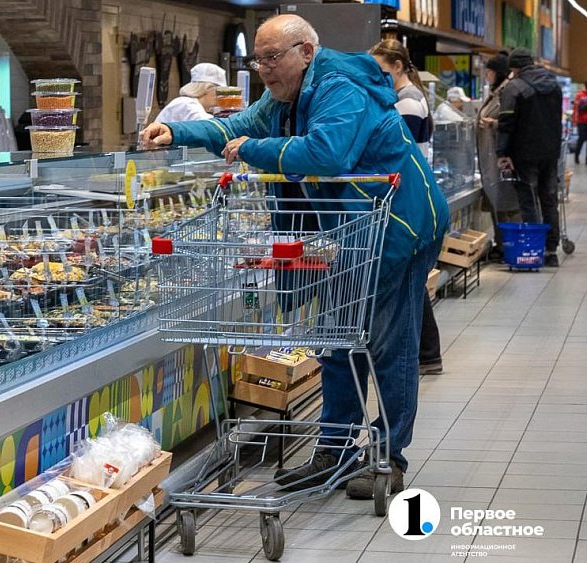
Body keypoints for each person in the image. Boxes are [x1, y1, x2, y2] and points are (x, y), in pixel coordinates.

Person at [140, 14, 448, 500]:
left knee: (389, 345)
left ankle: (389, 457)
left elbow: (327, 154)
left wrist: (254, 150)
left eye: (272, 57)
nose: (263, 69)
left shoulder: (339, 87)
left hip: (400, 226)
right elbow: (242, 125)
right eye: (257, 59)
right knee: (336, 342)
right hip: (353, 233)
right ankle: (336, 448)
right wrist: (178, 134)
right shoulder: (288, 94)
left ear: (305, 52)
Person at [369, 39, 442, 377]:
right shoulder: (406, 98)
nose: (377, 77)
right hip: (407, 194)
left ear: (397, 67)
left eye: (381, 70)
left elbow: (397, 151)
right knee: (410, 281)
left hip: (407, 196)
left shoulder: (408, 102)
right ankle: (427, 353)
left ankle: (426, 353)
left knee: (409, 280)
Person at [496, 48, 563, 268]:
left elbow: (505, 124)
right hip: (551, 152)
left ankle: (533, 248)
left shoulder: (514, 88)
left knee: (528, 200)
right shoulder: (554, 85)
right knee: (549, 199)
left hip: (523, 154)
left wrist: (502, 153)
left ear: (513, 68)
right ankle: (551, 250)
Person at [476, 52, 522, 259]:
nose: (487, 75)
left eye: (489, 72)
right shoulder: (496, 92)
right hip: (490, 157)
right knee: (498, 201)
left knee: (507, 203)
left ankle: (511, 246)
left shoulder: (507, 93)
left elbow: (513, 124)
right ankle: (502, 244)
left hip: (502, 157)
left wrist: (492, 124)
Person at [153, 63, 227, 123]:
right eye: (219, 93)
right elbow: (211, 126)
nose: (221, 98)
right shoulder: (186, 104)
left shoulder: (191, 104)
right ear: (208, 88)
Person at [573, 84, 587, 164]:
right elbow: (576, 108)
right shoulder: (580, 95)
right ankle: (576, 156)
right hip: (581, 121)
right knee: (581, 139)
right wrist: (574, 120)